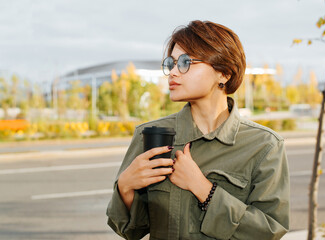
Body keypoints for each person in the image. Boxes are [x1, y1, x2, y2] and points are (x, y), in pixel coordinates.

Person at [106, 20, 290, 240]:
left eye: (185, 62)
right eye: (171, 63)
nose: (173, 72)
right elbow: (131, 231)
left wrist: (204, 189)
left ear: (224, 73)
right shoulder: (150, 136)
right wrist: (125, 188)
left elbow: (268, 231)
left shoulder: (264, 146)